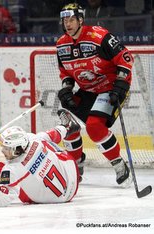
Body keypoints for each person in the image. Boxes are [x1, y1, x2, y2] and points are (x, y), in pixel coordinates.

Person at [56, 3, 134, 187]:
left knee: (94, 126)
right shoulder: (61, 44)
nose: (68, 24)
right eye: (65, 20)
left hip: (110, 88)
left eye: (72, 19)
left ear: (81, 20)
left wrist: (121, 84)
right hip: (88, 91)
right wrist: (66, 88)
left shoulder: (99, 36)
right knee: (67, 121)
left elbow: (125, 57)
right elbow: (66, 73)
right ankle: (76, 164)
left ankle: (119, 164)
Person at [0, 109, 80, 206]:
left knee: (15, 186)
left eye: (6, 148)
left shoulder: (12, 170)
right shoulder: (32, 140)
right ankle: (68, 126)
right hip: (72, 178)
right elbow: (53, 135)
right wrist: (63, 129)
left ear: (16, 150)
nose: (3, 150)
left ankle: (66, 127)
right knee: (46, 142)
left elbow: (2, 198)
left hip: (56, 200)